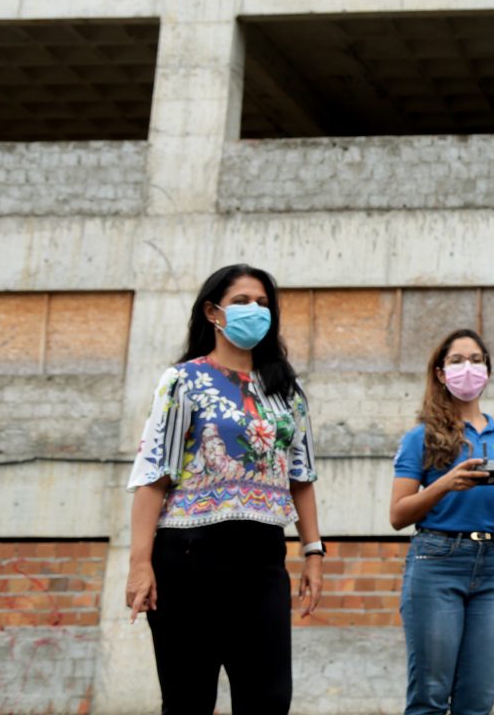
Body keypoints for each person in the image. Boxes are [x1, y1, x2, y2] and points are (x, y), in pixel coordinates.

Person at [125, 263, 322, 715]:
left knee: (269, 700)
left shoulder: (287, 391)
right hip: (188, 556)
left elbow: (302, 476)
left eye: (263, 303)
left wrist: (313, 552)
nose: (255, 310)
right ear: (213, 312)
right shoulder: (182, 381)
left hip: (262, 557)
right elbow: (153, 476)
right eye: (242, 301)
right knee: (188, 700)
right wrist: (139, 564)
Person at [389, 328, 494, 715]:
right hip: (436, 561)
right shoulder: (421, 437)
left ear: (488, 370)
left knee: (478, 700)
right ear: (440, 372)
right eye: (457, 360)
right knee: (430, 696)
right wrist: (447, 483)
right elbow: (398, 514)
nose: (468, 368)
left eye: (476, 360)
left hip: (493, 566)